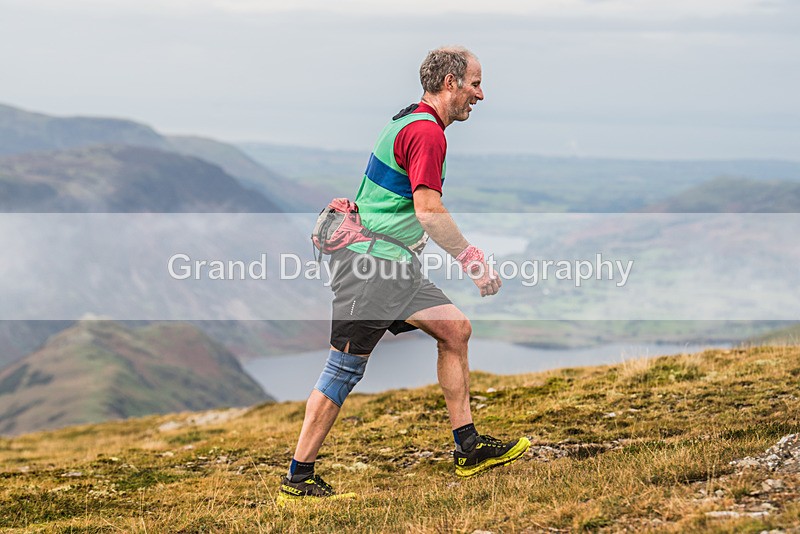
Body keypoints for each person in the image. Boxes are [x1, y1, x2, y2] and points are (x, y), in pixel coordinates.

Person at [278, 46, 530, 503]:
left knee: (455, 330)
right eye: (474, 83)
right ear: (450, 83)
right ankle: (298, 478)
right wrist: (472, 259)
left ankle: (468, 448)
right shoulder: (427, 133)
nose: (481, 94)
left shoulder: (408, 119)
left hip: (394, 265)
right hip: (370, 268)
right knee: (343, 369)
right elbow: (429, 211)